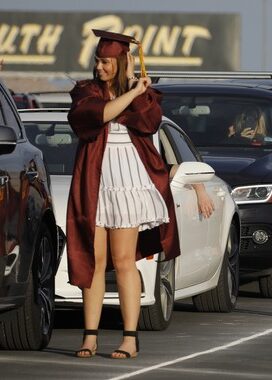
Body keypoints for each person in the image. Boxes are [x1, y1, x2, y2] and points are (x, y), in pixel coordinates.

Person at [66, 29, 211, 359]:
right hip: (95, 182)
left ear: (120, 62)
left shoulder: (144, 93)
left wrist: (134, 86)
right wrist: (130, 95)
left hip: (127, 182)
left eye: (106, 62)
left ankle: (129, 337)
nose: (100, 67)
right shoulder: (87, 92)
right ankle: (90, 336)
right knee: (94, 260)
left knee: (122, 262)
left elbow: (148, 123)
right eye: (98, 61)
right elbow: (95, 116)